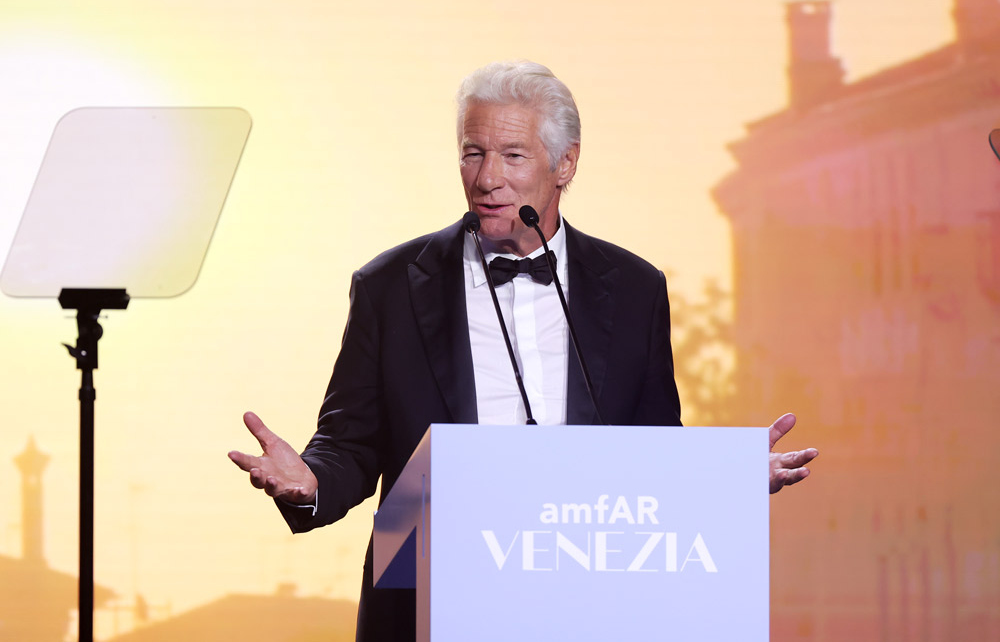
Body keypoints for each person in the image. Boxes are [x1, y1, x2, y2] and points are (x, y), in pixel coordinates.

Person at [229, 60, 818, 641]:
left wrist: (720, 479)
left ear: (565, 163)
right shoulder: (389, 285)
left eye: (512, 155)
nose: (487, 179)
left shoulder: (635, 288)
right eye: (472, 152)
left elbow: (649, 451)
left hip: (588, 604)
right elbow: (351, 440)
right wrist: (311, 480)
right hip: (427, 600)